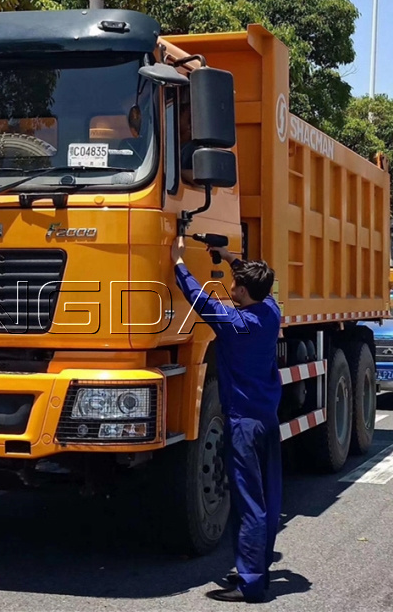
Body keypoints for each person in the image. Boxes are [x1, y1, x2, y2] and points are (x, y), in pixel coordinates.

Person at [171, 236, 282, 603]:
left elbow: (198, 298)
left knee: (249, 503)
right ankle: (257, 569)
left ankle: (252, 584)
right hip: (267, 419)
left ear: (245, 291)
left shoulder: (235, 323)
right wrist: (231, 258)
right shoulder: (270, 312)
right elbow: (255, 283)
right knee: (265, 500)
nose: (229, 286)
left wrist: (178, 263)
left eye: (235, 283)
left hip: (244, 425)